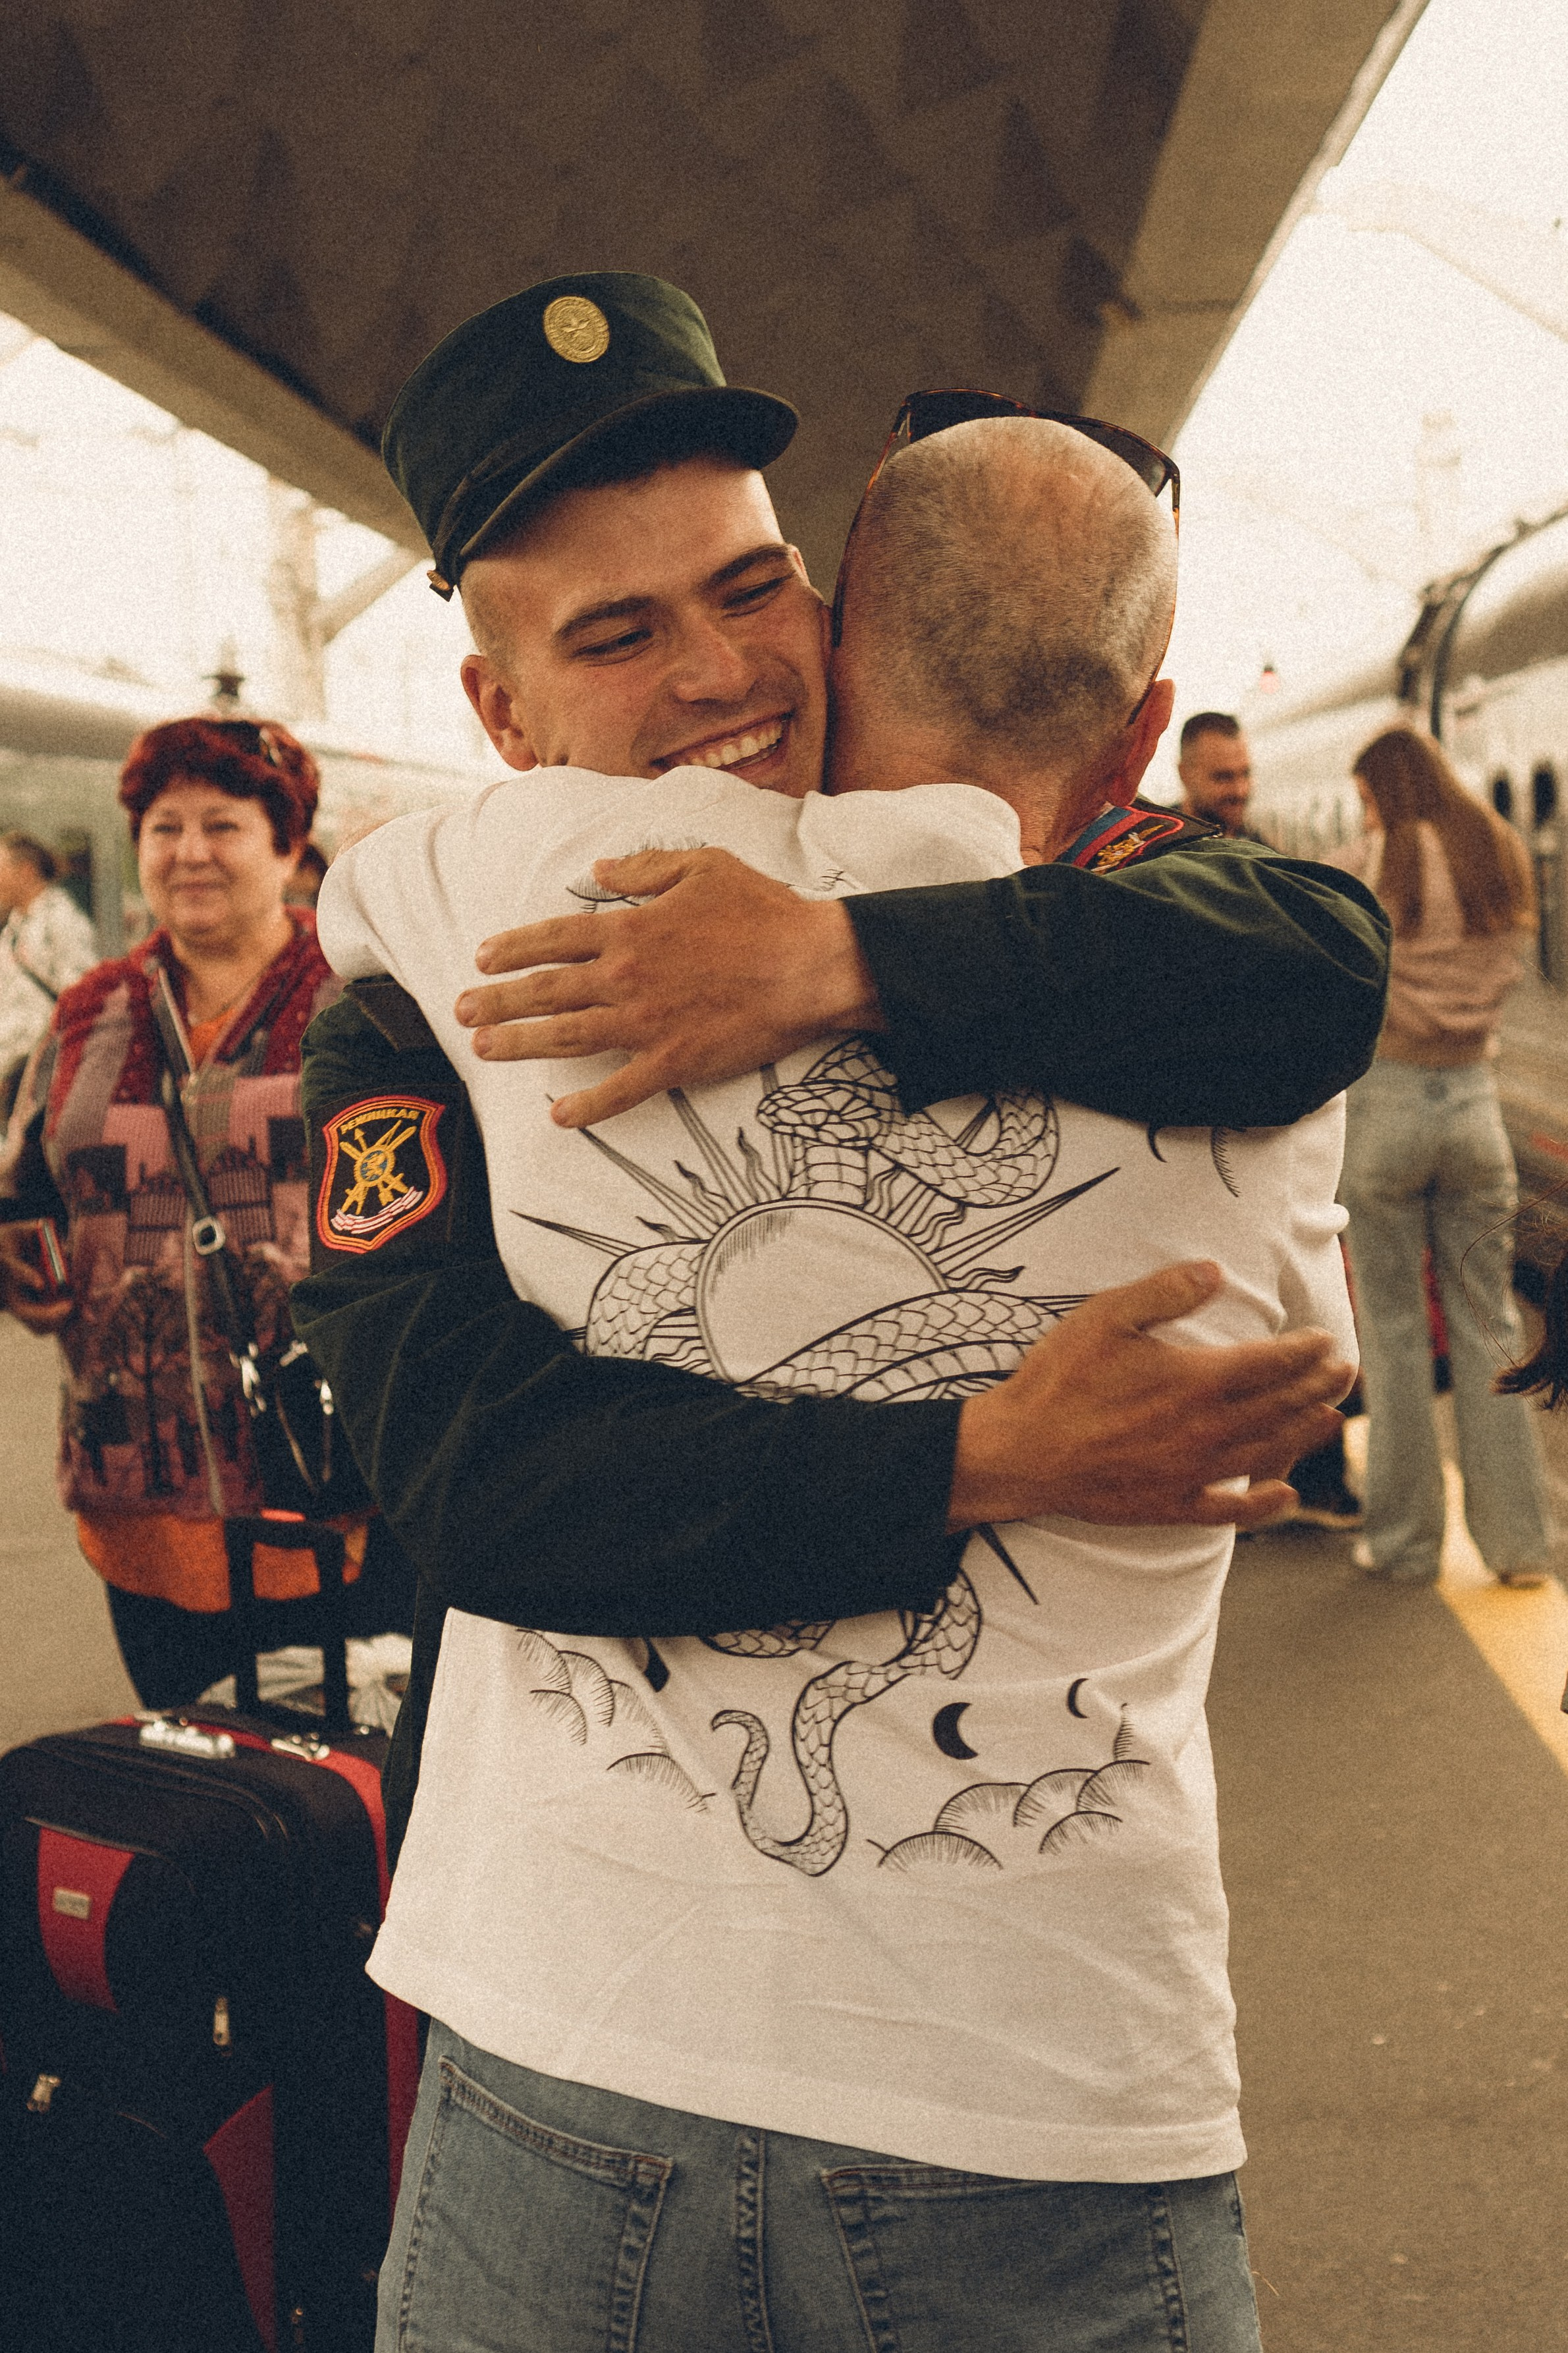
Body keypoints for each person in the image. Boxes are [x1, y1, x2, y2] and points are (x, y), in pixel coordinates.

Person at [315, 345, 1358, 2344]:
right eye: (618, 632)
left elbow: (1318, 957)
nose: (717, 672)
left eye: (748, 589)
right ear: (499, 708)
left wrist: (839, 948)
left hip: (982, 2096)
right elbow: (470, 1479)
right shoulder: (434, 995)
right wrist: (982, 1453)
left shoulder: (1128, 925)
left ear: (843, 608)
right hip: (622, 2070)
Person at [0, 717, 408, 1706]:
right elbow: (25, 1187)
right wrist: (41, 1281)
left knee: (350, 1799)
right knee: (198, 1795)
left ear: (286, 846)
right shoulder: (91, 1009)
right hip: (136, 1477)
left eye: (222, 825)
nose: (188, 852)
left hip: (333, 1480)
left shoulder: (364, 1005)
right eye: (162, 827)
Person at [1328, 725, 1553, 1587]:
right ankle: (1521, 1550)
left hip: (1384, 1107)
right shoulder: (1497, 854)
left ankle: (1406, 1546)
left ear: (1382, 791)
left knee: (1389, 1335)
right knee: (1491, 1325)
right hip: (1473, 1108)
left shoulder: (1365, 863)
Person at [0, 832, 97, 1117]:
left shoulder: (61, 919)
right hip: (14, 1065)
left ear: (26, 871)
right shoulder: (14, 927)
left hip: (42, 1070)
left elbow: (81, 995)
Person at [1177, 712, 1263, 841]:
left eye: (1245, 773)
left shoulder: (1258, 849)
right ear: (1185, 775)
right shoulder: (1157, 849)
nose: (1240, 791)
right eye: (1223, 777)